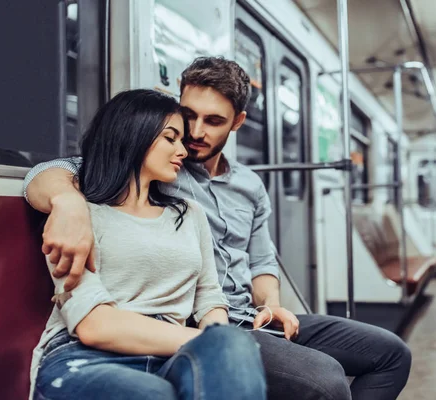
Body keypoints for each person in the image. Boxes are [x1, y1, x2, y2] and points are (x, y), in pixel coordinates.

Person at [24, 57, 412, 400]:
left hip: (244, 314)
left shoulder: (244, 187)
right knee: (325, 381)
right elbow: (54, 173)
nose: (193, 134)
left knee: (391, 353)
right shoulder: (155, 171)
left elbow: (261, 261)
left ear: (238, 123)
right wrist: (67, 201)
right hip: (193, 321)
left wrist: (271, 305)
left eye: (213, 122)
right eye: (186, 117)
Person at [29, 89, 266, 400]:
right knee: (156, 394)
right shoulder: (77, 217)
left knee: (232, 343)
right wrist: (203, 340)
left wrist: (216, 343)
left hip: (170, 353)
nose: (183, 150)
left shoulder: (188, 214)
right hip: (86, 356)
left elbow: (209, 296)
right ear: (133, 134)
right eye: (171, 138)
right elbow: (95, 326)